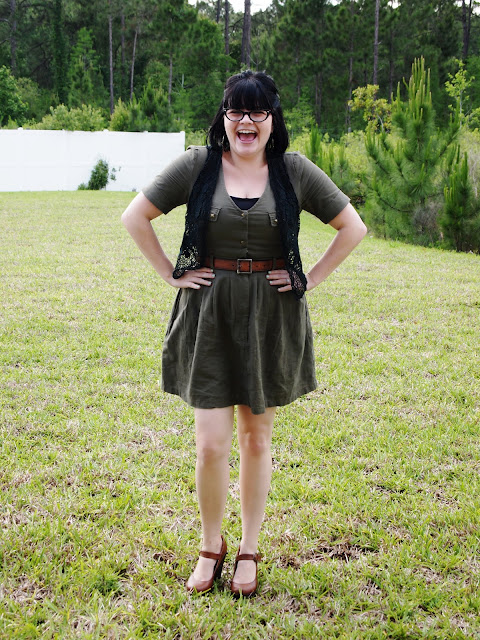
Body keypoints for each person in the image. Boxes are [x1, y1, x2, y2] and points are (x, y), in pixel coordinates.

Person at [121, 70, 367, 597]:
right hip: (208, 313)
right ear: (224, 116)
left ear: (273, 118)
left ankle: (250, 549)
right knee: (211, 445)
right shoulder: (198, 165)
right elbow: (135, 216)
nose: (246, 121)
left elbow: (354, 227)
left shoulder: (294, 171)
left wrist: (307, 277)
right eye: (236, 110)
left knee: (256, 438)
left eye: (258, 111)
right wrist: (170, 273)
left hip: (270, 317)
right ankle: (211, 546)